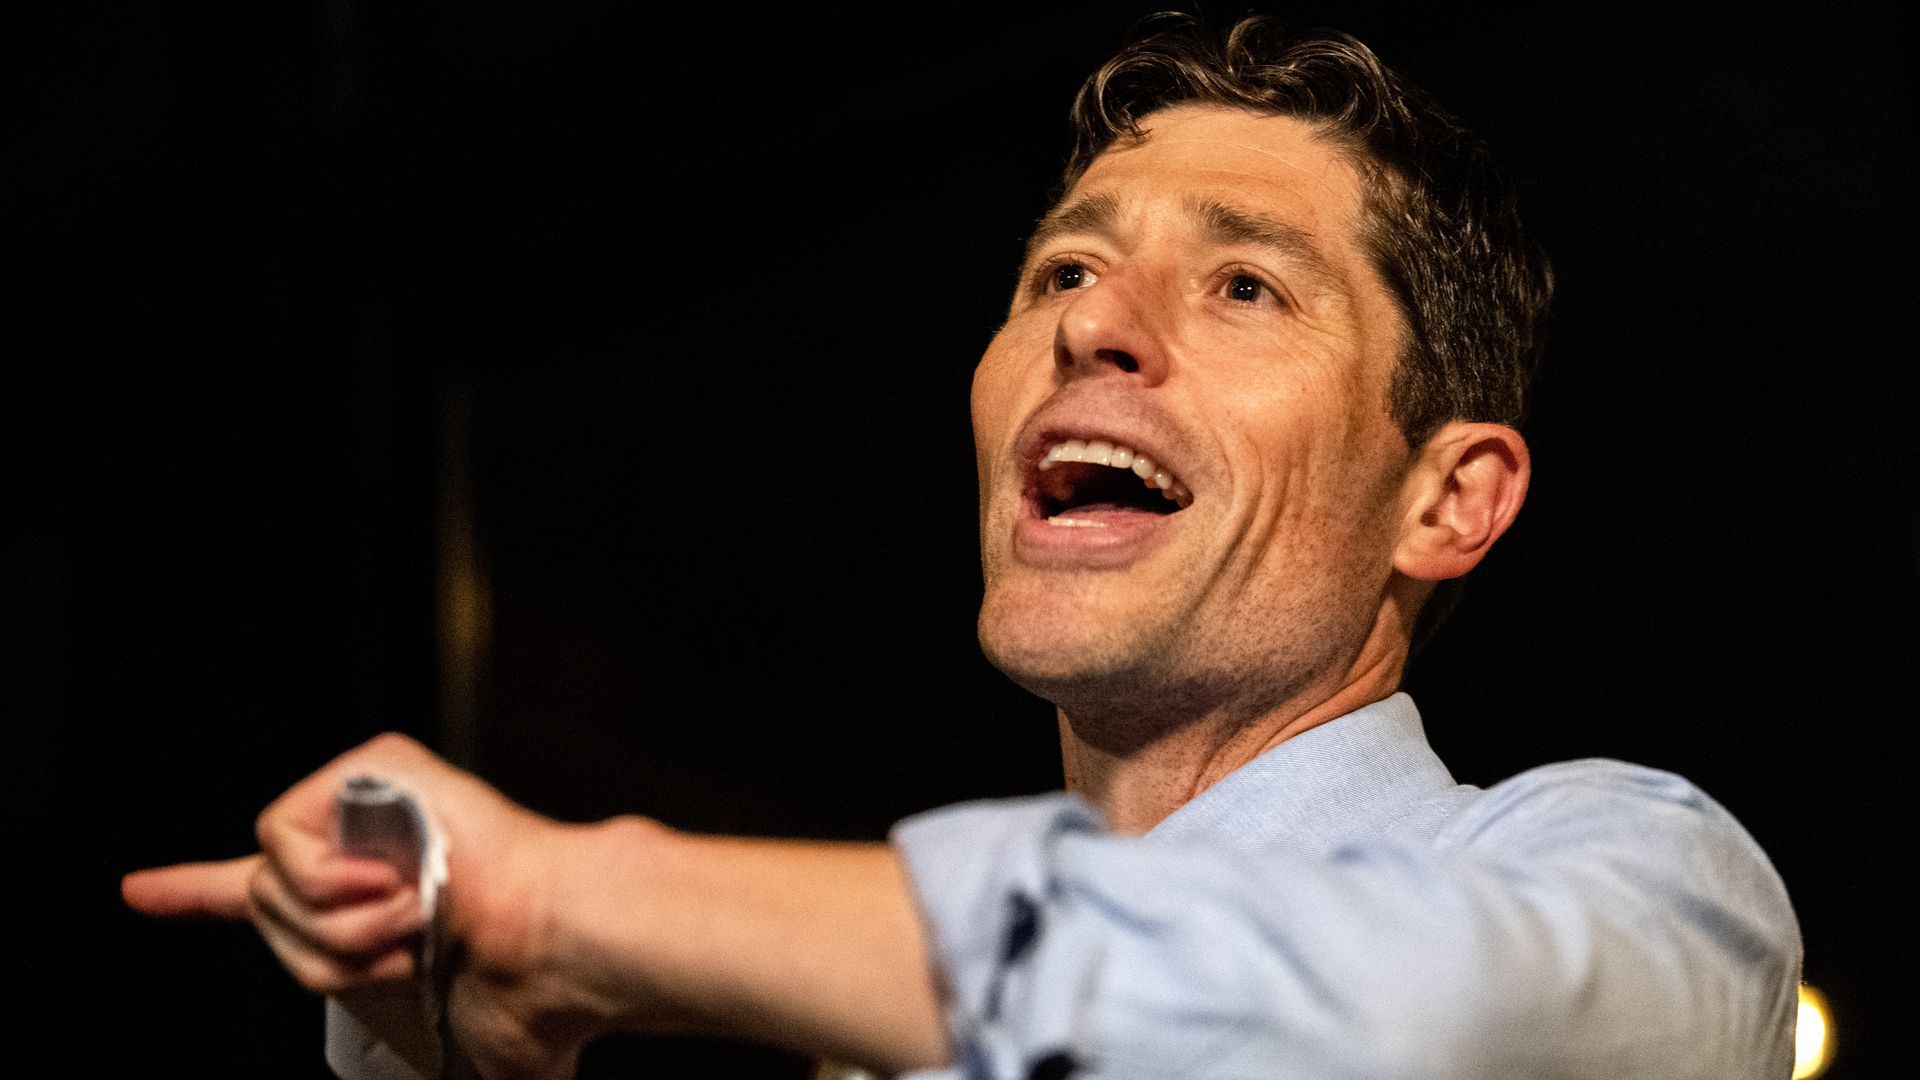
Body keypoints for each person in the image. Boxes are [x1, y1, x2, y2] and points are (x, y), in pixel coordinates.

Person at [122, 14, 1801, 1079]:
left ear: (1451, 500)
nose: (1097, 330)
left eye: (1243, 287)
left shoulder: (1640, 878)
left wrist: (587, 899)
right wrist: (449, 1052)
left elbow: (1405, 1024)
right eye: (1063, 272)